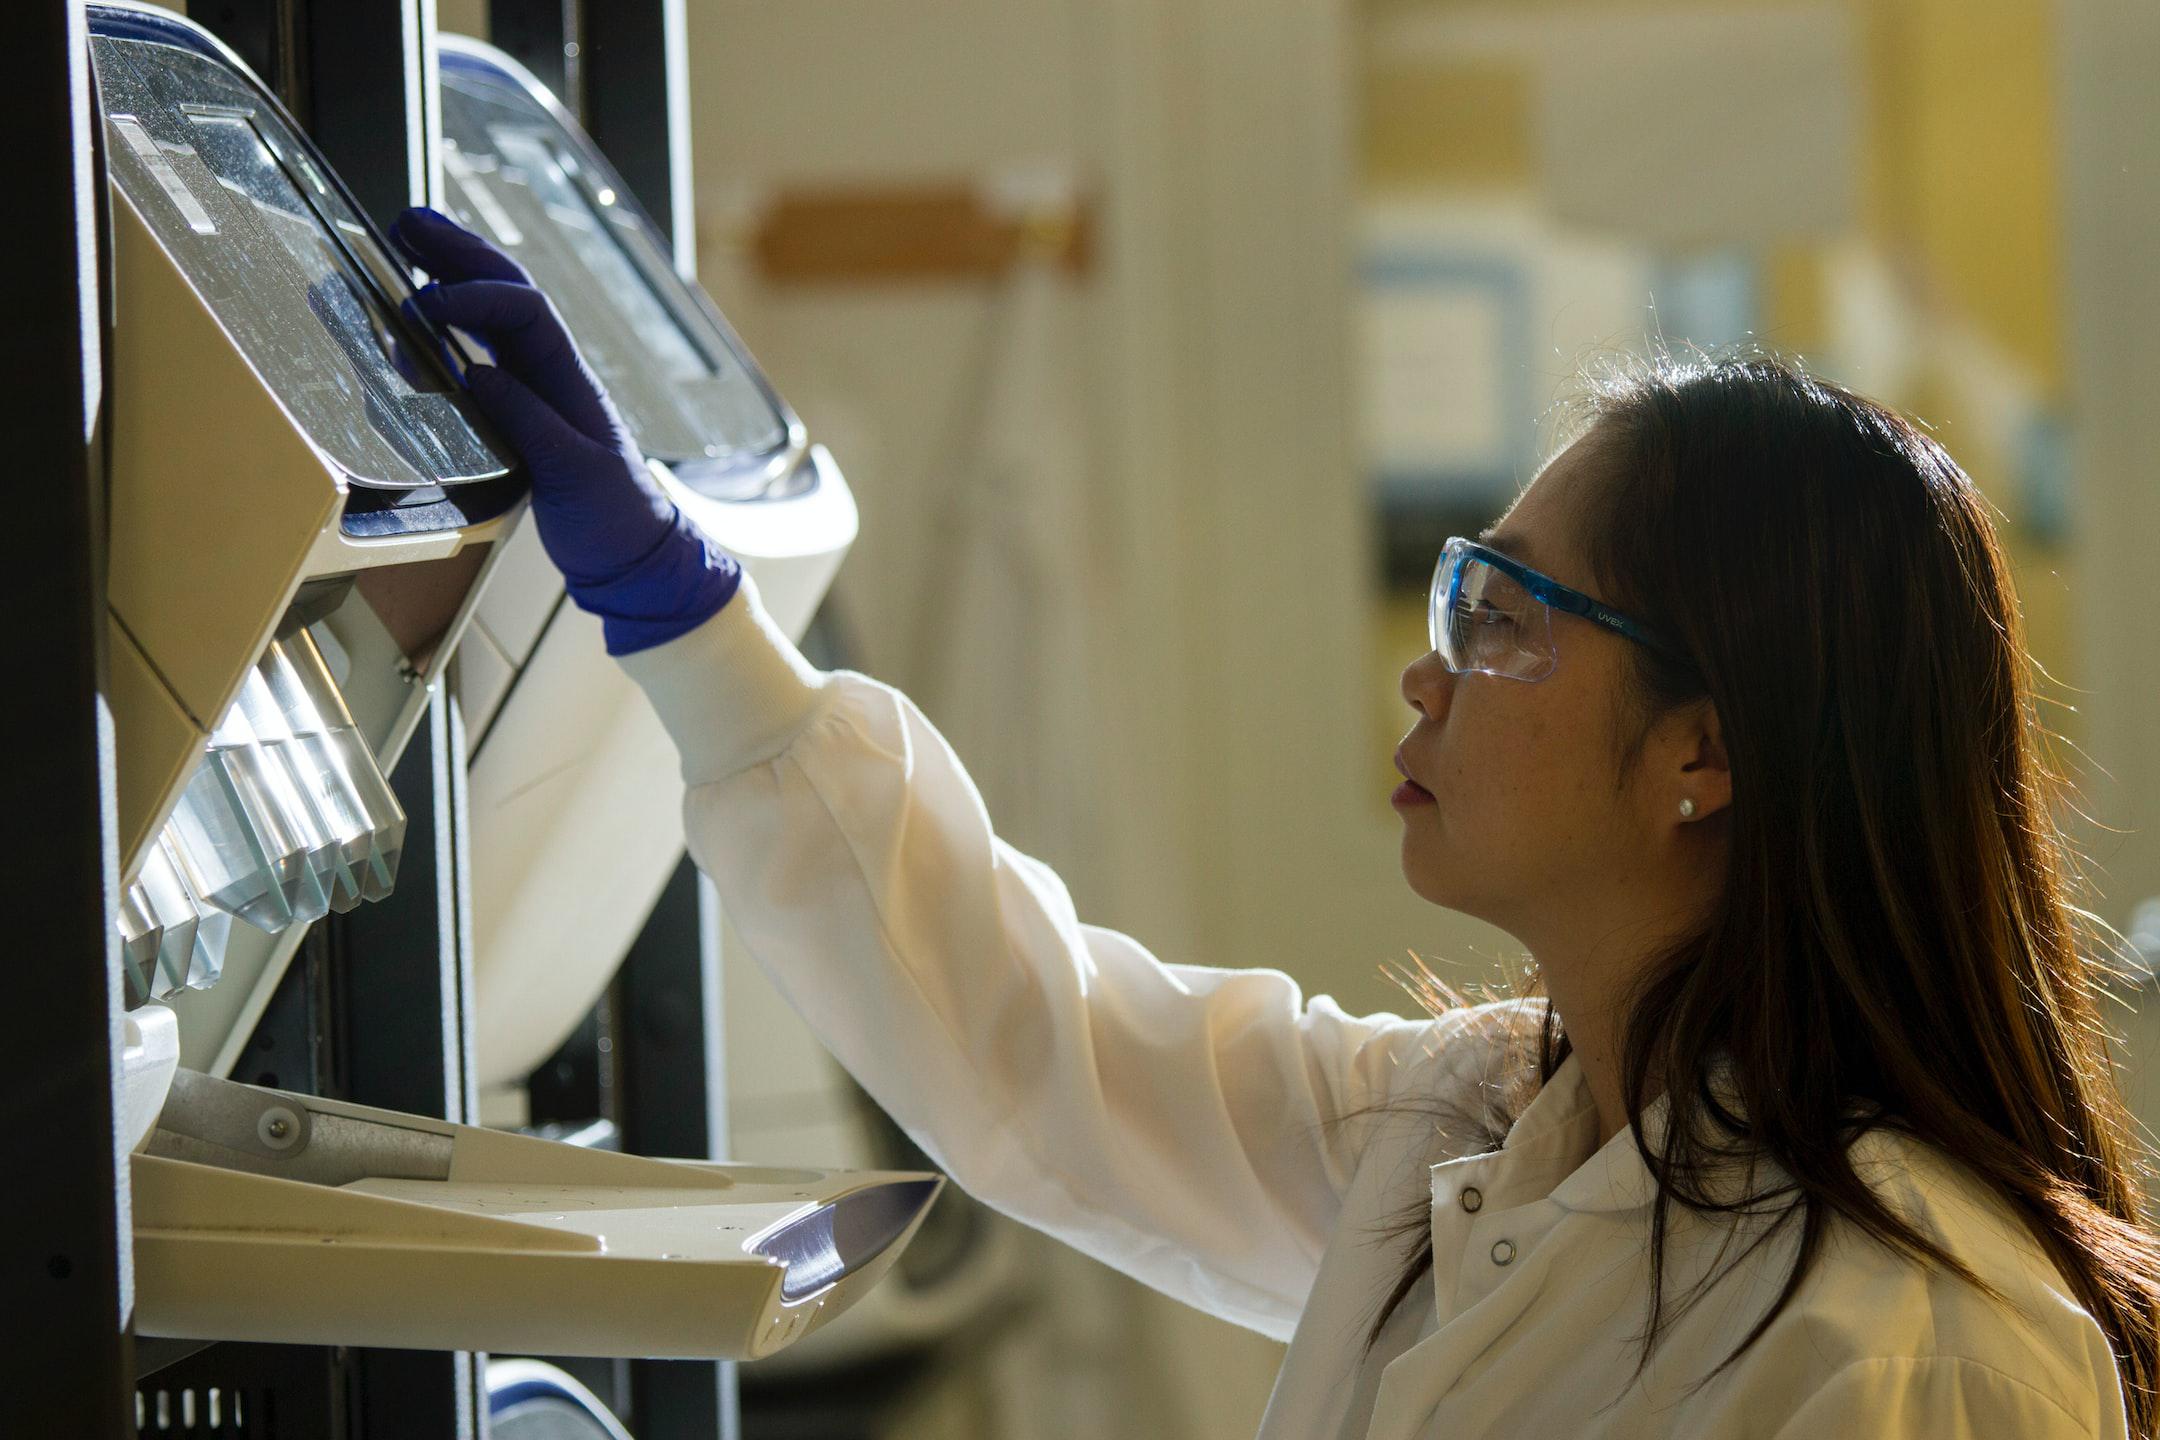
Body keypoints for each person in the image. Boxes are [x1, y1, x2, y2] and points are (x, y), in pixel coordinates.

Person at [391, 205, 2158, 1438]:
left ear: (1702, 752)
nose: (1432, 674)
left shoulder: (1926, 1345)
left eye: (1508, 618)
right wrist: (687, 620)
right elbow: (1048, 1054)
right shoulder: (1485, 1126)